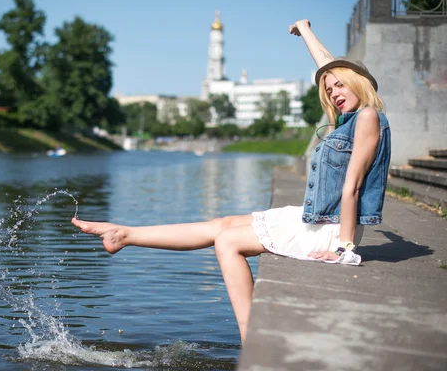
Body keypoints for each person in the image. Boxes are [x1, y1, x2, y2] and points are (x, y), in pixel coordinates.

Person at [71, 19, 391, 344]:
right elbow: (328, 65)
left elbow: (352, 186)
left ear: (358, 83)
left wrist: (344, 249)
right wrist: (305, 30)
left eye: (340, 85)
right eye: (329, 89)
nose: (334, 93)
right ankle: (123, 234)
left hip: (331, 232)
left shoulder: (366, 117)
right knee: (223, 223)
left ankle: (250, 338)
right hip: (318, 218)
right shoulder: (351, 118)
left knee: (227, 242)